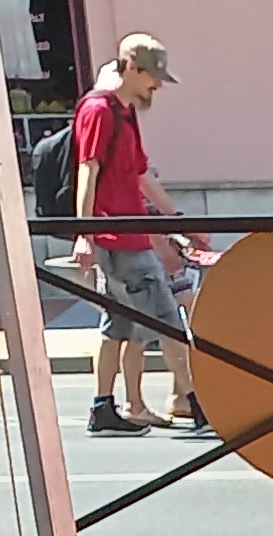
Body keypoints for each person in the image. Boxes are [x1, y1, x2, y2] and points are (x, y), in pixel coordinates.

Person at [69, 34, 201, 435]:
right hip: (117, 236)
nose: (157, 84)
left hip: (127, 233)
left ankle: (103, 409)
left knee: (119, 326)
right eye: (152, 76)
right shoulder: (99, 110)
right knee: (167, 318)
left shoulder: (125, 114)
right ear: (130, 68)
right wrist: (85, 233)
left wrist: (177, 221)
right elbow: (87, 170)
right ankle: (196, 403)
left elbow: (141, 174)